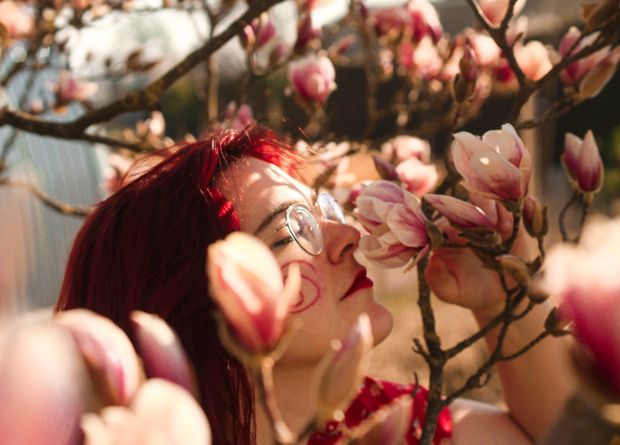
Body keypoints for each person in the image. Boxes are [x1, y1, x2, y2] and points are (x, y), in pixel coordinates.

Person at [56, 126, 575, 445]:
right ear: (201, 300)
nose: (348, 234)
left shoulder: (387, 425)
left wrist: (501, 301)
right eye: (292, 228)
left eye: (323, 209)